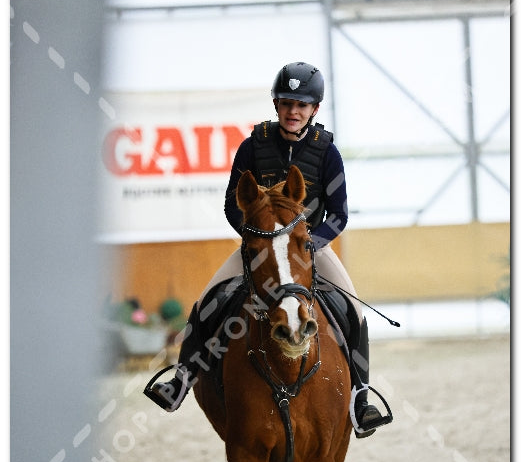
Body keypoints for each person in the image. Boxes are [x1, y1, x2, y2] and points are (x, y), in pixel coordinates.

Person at [144, 61, 392, 438]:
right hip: (259, 247)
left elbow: (339, 214)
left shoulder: (327, 152)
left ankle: (360, 398)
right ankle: (181, 379)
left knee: (353, 311)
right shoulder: (252, 147)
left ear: (314, 109)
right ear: (277, 104)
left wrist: (309, 244)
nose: (294, 111)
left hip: (309, 247)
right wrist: (256, 240)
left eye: (302, 105)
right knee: (207, 301)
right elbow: (232, 204)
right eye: (287, 103)